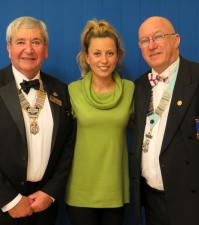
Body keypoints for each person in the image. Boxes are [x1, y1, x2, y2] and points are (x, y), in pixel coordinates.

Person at [0, 16, 76, 225]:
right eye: (21, 42)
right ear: (9, 48)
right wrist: (10, 200)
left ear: (46, 50)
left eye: (36, 42)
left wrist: (50, 193)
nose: (29, 49)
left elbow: (68, 147)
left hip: (42, 208)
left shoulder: (62, 90)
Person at [130, 16, 199, 225]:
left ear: (176, 39)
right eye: (145, 40)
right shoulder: (138, 87)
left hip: (197, 204)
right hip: (153, 205)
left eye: (158, 37)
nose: (152, 45)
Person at [65, 19, 134, 225]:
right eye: (97, 53)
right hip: (80, 191)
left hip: (115, 190)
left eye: (110, 53)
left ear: (117, 56)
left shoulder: (131, 90)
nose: (104, 60)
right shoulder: (72, 91)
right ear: (87, 57)